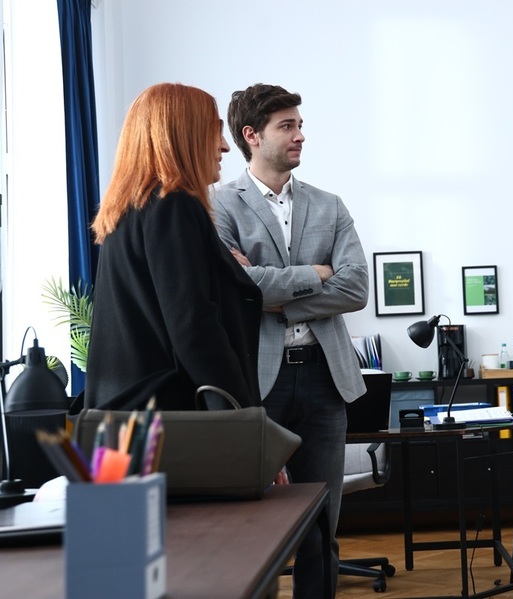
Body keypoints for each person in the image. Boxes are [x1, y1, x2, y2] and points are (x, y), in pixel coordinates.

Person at [213, 83, 368, 599]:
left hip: (325, 379)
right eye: (287, 126)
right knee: (254, 521)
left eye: (299, 125)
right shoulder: (219, 205)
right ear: (252, 135)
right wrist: (316, 274)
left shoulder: (330, 205)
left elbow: (356, 288)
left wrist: (274, 296)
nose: (300, 135)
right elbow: (235, 289)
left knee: (322, 524)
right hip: (259, 382)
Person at [85, 83, 262, 411]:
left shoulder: (127, 210)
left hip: (128, 416)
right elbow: (194, 327)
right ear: (183, 135)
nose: (225, 146)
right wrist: (242, 417)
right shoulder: (174, 205)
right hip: (171, 418)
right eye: (215, 131)